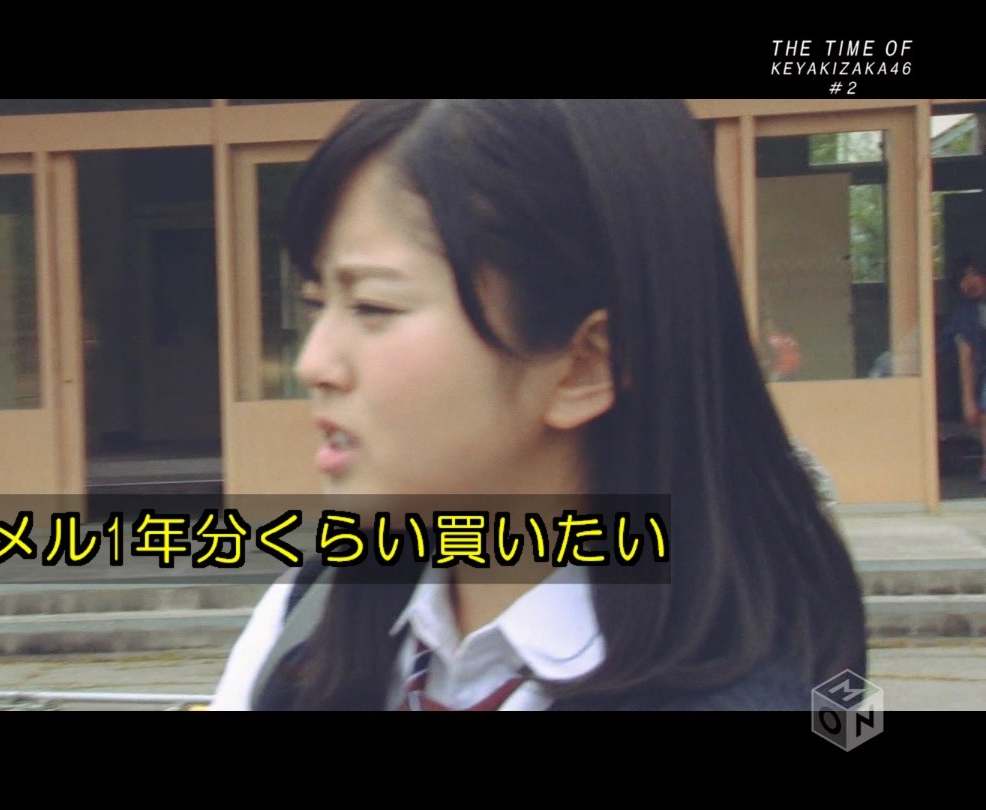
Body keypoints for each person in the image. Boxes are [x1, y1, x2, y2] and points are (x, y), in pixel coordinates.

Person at [210, 99, 866, 711]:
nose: (313, 364)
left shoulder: (769, 689)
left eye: (373, 306)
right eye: (317, 303)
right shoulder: (306, 617)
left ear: (584, 367)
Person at [944, 257, 986, 484]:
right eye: (963, 276)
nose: (969, 282)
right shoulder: (966, 314)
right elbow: (965, 355)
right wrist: (968, 400)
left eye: (975, 274)